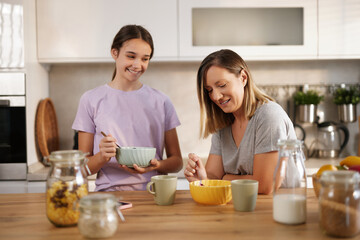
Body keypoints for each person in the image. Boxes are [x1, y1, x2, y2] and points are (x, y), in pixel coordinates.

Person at [72, 25, 183, 191]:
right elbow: (81, 169)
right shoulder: (90, 100)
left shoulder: (161, 101)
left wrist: (156, 165)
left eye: (145, 59)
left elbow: (177, 161)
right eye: (131, 56)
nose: (138, 65)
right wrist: (102, 156)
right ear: (114, 53)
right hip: (109, 195)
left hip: (154, 193)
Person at [184, 49, 296, 194]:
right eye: (209, 90)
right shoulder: (223, 124)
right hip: (241, 209)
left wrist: (225, 179)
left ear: (243, 77)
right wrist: (202, 179)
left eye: (222, 85)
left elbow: (264, 185)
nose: (216, 96)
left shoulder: (268, 115)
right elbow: (213, 177)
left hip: (277, 210)